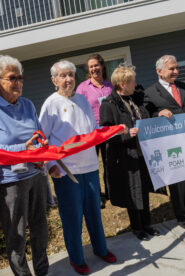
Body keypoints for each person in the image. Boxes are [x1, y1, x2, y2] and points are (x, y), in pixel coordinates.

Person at [39, 60, 123, 275]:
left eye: (71, 75)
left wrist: (113, 130)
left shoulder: (83, 100)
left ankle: (100, 249)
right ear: (54, 80)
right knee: (72, 217)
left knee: (94, 212)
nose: (68, 79)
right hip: (66, 171)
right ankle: (76, 259)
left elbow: (94, 130)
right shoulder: (50, 104)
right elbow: (42, 139)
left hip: (91, 167)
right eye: (63, 76)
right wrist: (50, 166)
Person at [0, 55, 49, 276]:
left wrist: (41, 150)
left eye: (20, 77)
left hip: (35, 174)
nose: (18, 82)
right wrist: (22, 150)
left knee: (40, 228)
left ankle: (43, 271)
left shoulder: (27, 104)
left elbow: (38, 135)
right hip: (9, 181)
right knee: (16, 234)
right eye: (12, 78)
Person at [144, 55, 185, 230]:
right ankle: (182, 217)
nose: (176, 71)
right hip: (170, 145)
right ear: (159, 71)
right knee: (178, 182)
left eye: (176, 68)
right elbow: (145, 116)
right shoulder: (150, 92)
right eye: (171, 69)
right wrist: (157, 115)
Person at [99, 64, 160, 241]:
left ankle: (147, 224)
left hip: (142, 152)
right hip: (125, 155)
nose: (135, 83)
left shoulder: (135, 99)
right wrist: (126, 133)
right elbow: (106, 133)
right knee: (133, 191)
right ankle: (137, 227)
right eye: (132, 81)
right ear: (123, 84)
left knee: (144, 190)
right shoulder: (109, 104)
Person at [76, 53, 113, 208]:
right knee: (93, 164)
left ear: (102, 66)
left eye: (96, 65)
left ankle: (111, 193)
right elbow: (77, 109)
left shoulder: (110, 85)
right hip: (92, 131)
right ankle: (97, 196)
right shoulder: (83, 88)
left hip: (109, 130)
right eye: (91, 66)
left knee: (109, 162)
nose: (94, 69)